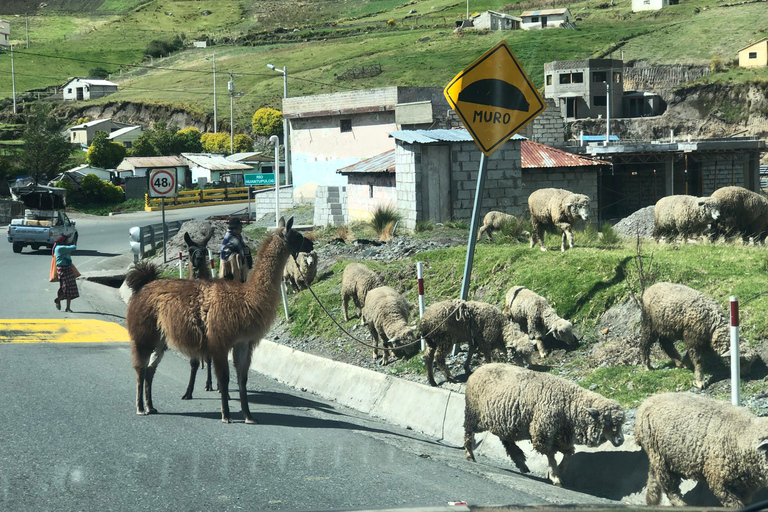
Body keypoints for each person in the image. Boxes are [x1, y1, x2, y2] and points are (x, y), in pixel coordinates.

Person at [53, 233, 79, 312]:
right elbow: (74, 247)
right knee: (66, 288)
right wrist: (71, 243)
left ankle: (68, 307)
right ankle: (58, 299)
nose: (68, 241)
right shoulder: (60, 248)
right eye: (67, 240)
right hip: (63, 269)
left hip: (67, 268)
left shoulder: (62, 247)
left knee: (70, 288)